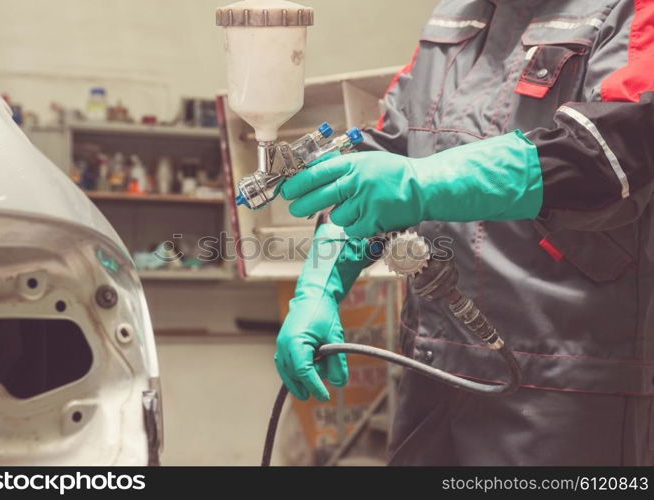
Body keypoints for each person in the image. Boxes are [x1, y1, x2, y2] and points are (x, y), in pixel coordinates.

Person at [274, 0, 654, 465]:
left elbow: (608, 153)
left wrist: (421, 181)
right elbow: (386, 150)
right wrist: (321, 286)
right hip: (430, 368)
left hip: (563, 382)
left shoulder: (628, 10)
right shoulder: (453, 16)